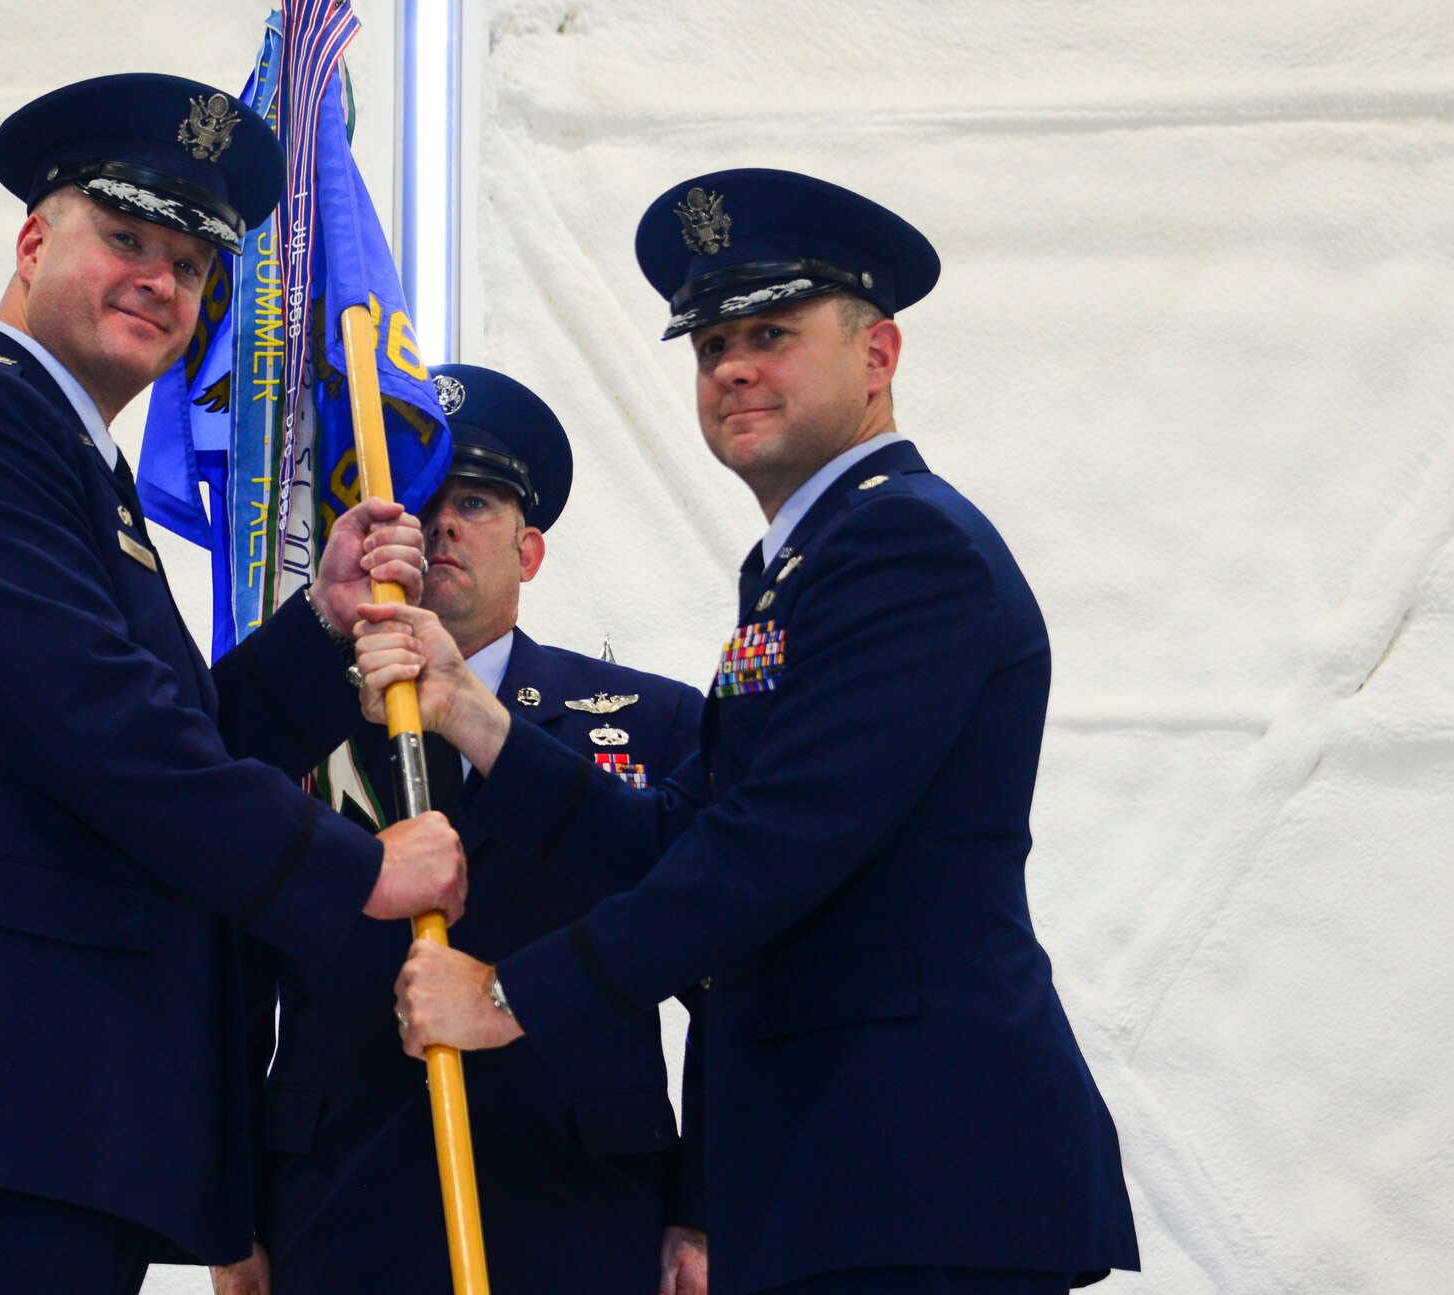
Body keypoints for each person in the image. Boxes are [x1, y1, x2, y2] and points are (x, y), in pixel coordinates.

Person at [364, 169, 1142, 1295]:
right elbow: (688, 830)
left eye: (770, 332)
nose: (730, 366)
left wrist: (507, 996)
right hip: (831, 1162)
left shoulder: (904, 548)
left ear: (876, 356)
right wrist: (474, 716)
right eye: (709, 342)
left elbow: (771, 850)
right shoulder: (801, 562)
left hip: (914, 1162)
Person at [0, 73, 466, 1295]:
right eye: (125, 238)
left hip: (39, 1094)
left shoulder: (64, 458)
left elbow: (157, 721)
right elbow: (99, 726)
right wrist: (355, 868)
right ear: (33, 242)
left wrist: (321, 625)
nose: (161, 281)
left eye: (191, 265)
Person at [213, 365, 709, 1295]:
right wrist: (230, 1214)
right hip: (341, 1203)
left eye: (473, 501)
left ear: (530, 551)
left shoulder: (651, 722)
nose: (438, 522)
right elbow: (230, 979)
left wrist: (705, 1202)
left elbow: (722, 973)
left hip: (581, 1203)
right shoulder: (287, 718)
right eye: (417, 497)